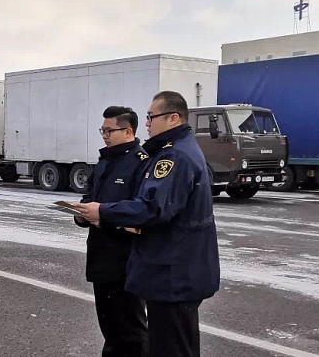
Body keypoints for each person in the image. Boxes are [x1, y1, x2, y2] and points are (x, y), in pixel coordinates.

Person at [73, 91, 221, 357]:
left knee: (166, 345)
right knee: (165, 344)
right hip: (170, 269)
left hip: (172, 271)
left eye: (152, 117)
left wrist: (103, 212)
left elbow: (153, 207)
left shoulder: (174, 156)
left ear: (173, 118)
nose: (148, 123)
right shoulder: (174, 151)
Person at [74, 106, 149, 357]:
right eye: (102, 131)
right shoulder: (106, 160)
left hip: (126, 257)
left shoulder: (141, 162)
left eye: (109, 131)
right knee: (110, 326)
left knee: (130, 328)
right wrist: (81, 214)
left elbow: (141, 209)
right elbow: (90, 196)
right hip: (100, 254)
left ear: (128, 131)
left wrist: (104, 215)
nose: (104, 136)